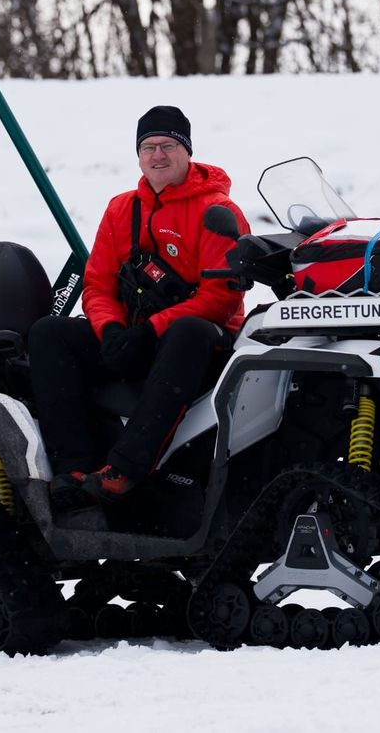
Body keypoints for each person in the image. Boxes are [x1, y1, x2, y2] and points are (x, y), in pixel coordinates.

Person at [29, 105, 249, 511]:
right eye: (148, 147)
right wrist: (111, 331)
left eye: (168, 145)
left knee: (190, 331)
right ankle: (74, 469)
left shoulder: (218, 212)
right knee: (49, 332)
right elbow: (97, 283)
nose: (157, 155)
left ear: (187, 151)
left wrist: (152, 330)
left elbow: (221, 298)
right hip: (132, 334)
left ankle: (125, 470)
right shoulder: (121, 209)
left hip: (196, 341)